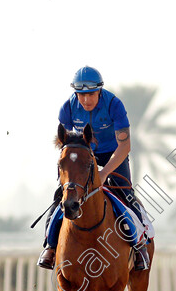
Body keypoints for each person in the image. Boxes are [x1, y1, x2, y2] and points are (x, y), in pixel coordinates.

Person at [37, 66, 151, 271]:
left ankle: (139, 244)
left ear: (99, 91)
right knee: (61, 197)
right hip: (83, 153)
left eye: (90, 94)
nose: (86, 100)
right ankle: (50, 247)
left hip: (112, 153)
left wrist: (105, 172)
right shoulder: (67, 108)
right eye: (81, 95)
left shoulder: (114, 105)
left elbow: (125, 145)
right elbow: (63, 143)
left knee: (125, 194)